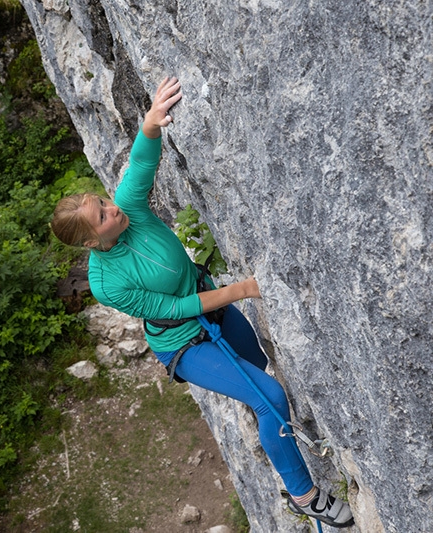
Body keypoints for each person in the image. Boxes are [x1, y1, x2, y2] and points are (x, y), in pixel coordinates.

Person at [50, 76, 354, 528]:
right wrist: (243, 290)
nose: (111, 207)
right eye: (102, 214)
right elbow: (171, 310)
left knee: (261, 370)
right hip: (184, 344)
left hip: (213, 309)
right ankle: (304, 495)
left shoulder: (127, 209)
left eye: (102, 201)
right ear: (94, 240)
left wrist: (152, 121)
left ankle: (274, 433)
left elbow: (139, 165)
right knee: (270, 397)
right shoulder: (105, 283)